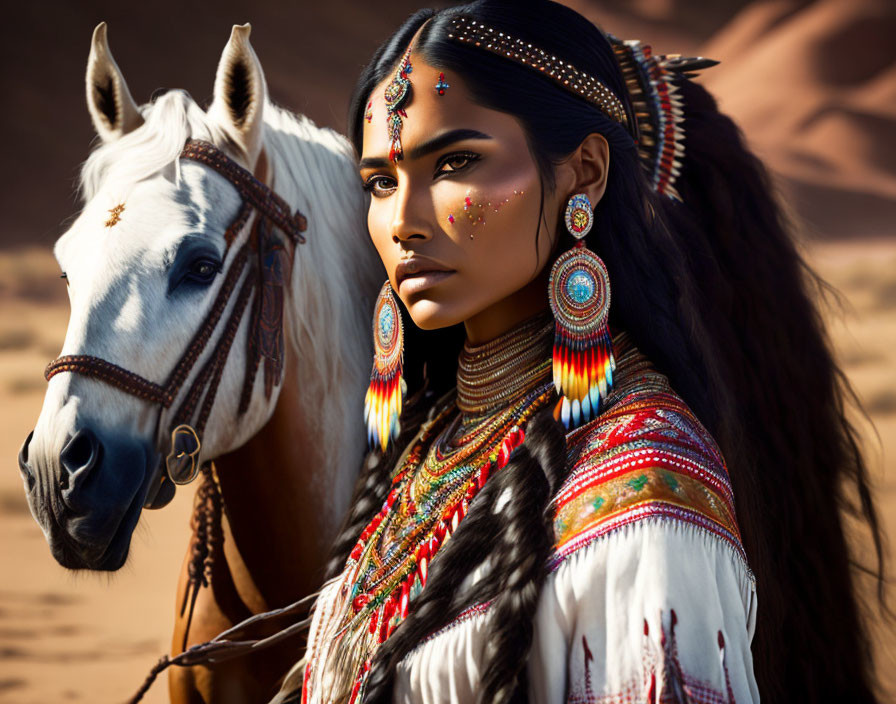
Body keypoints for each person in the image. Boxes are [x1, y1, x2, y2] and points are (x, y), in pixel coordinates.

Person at [276, 1, 886, 702]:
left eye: (456, 162)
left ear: (584, 173)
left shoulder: (647, 498)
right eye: (381, 181)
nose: (404, 222)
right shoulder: (433, 446)